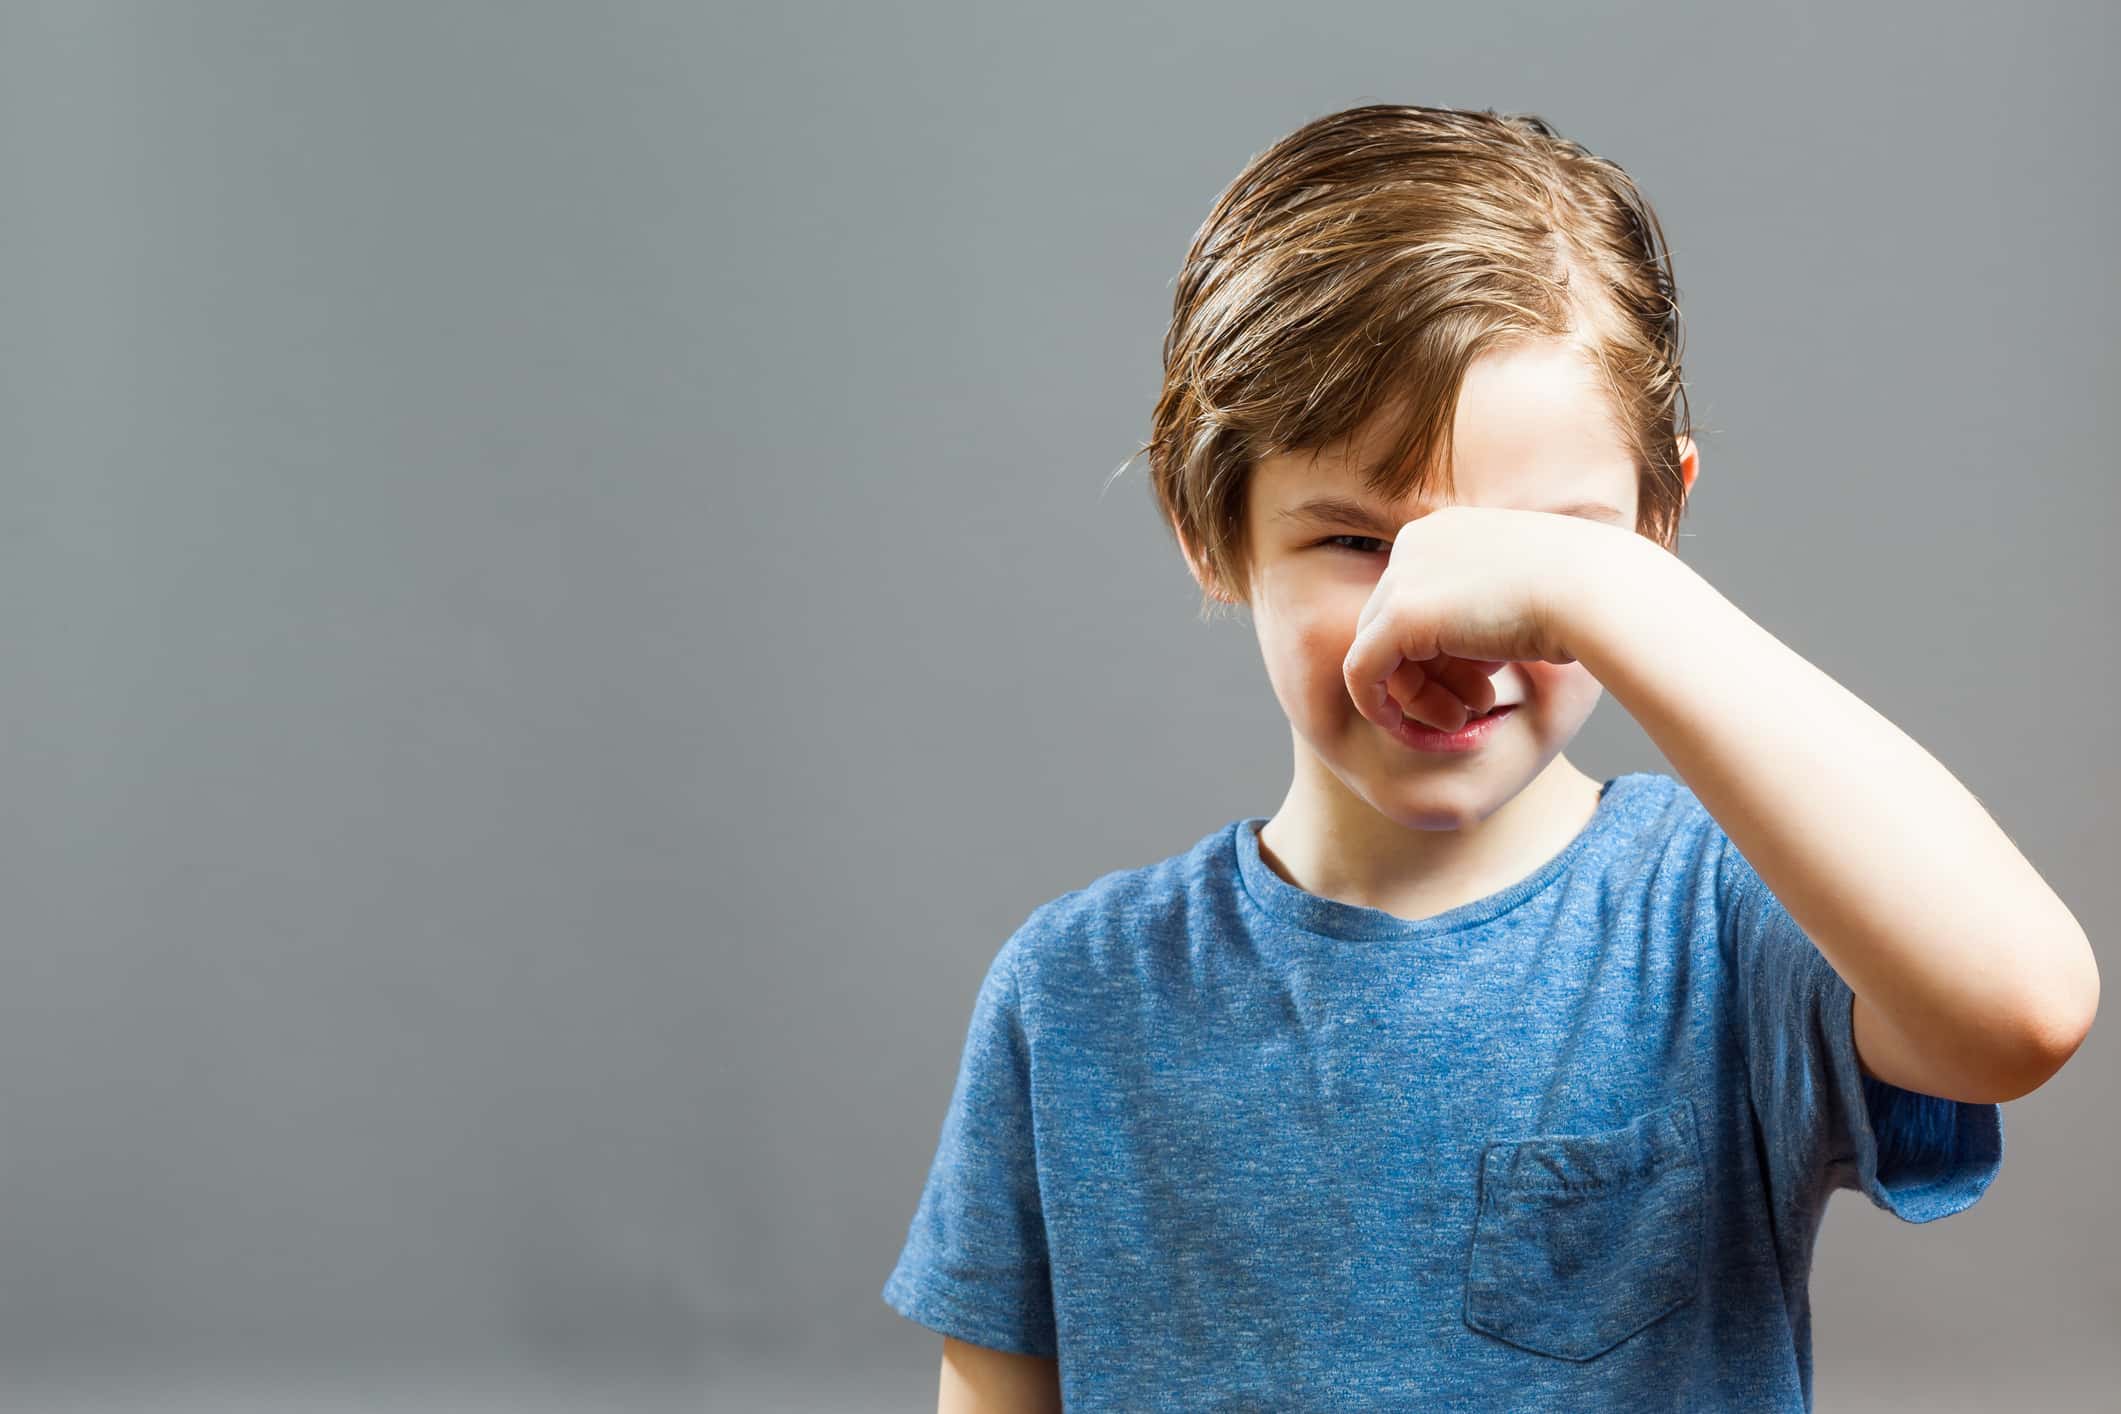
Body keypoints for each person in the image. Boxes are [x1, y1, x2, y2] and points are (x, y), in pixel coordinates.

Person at [880, 103, 2095, 1412]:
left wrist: (1601, 594)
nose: (1448, 633)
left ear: (1656, 528)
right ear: (1207, 523)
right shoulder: (1072, 992)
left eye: (1548, 554)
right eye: (1357, 543)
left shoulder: (1724, 917)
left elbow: (2018, 1009)